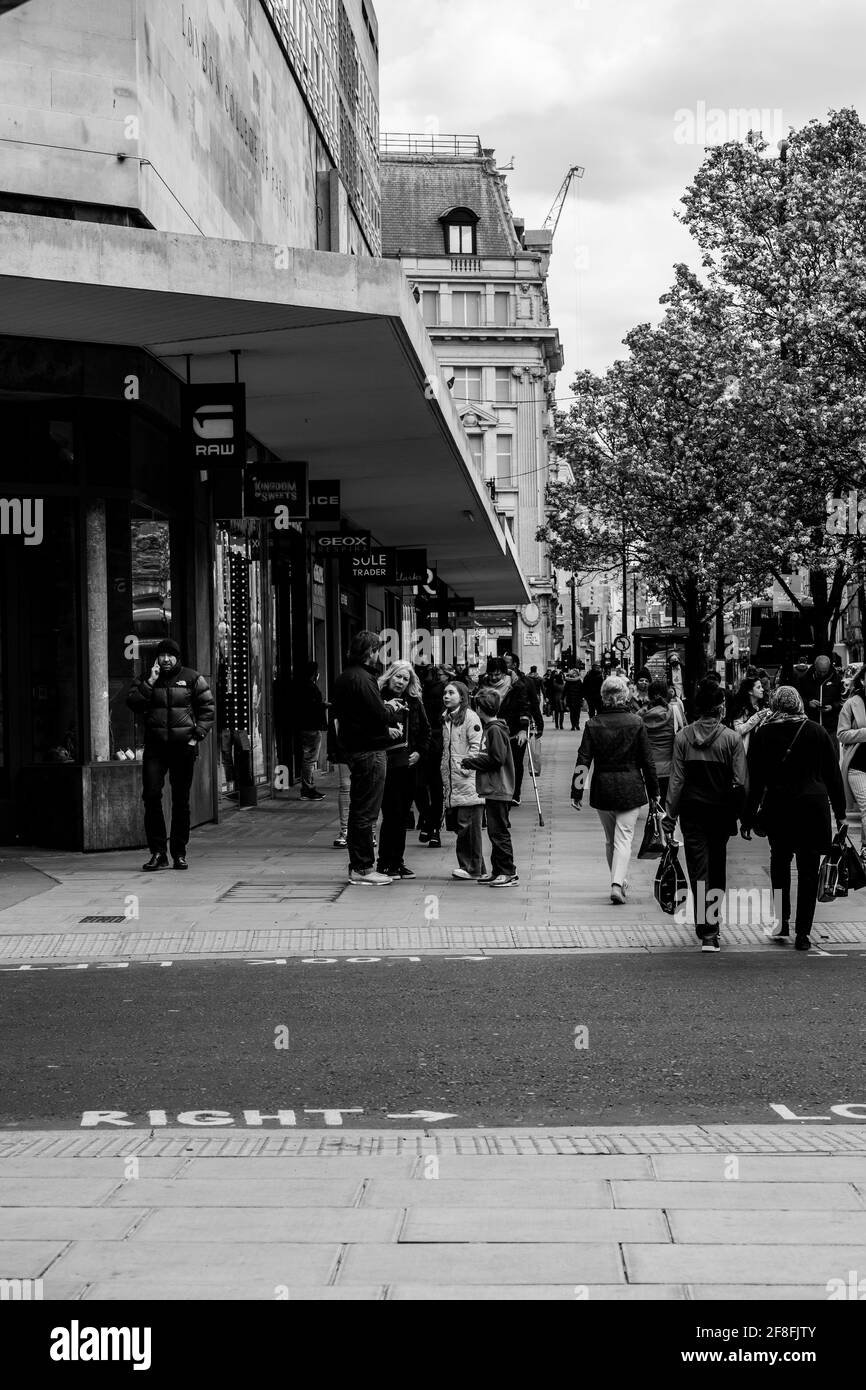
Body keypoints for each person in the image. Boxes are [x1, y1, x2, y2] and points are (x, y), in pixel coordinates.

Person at [744, 685, 846, 950]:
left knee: (780, 865)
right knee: (809, 870)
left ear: (776, 703)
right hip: (813, 808)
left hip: (779, 808)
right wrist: (841, 813)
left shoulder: (764, 734)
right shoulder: (817, 732)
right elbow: (833, 777)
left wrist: (747, 815)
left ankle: (782, 920)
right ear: (799, 704)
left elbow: (756, 781)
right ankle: (804, 933)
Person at [663, 678, 747, 952]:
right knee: (717, 868)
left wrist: (669, 815)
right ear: (720, 707)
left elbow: (676, 780)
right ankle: (711, 925)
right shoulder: (732, 739)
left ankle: (706, 928)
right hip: (720, 813)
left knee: (699, 869)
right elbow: (740, 782)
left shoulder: (683, 737)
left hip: (692, 812)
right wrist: (742, 816)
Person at [126, 638, 215, 871]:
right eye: (162, 655)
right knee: (152, 796)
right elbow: (134, 703)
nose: (165, 659)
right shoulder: (148, 678)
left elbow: (208, 709)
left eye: (170, 655)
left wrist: (197, 736)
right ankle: (158, 852)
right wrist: (151, 681)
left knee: (181, 801)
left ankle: (179, 853)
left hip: (182, 748)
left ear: (177, 657)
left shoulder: (193, 678)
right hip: (155, 749)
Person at [573, 675, 659, 905]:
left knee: (611, 840)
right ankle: (617, 883)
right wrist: (655, 791)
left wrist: (576, 790)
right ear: (624, 697)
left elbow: (583, 759)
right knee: (624, 839)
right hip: (630, 785)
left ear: (603, 698)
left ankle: (618, 880)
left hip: (603, 787)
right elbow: (647, 761)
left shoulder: (593, 724)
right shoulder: (636, 722)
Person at [331, 631, 404, 887]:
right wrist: (392, 708)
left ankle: (359, 866)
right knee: (366, 812)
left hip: (354, 749)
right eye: (376, 650)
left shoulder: (343, 677)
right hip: (370, 751)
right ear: (369, 652)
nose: (378, 654)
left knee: (359, 809)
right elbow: (377, 714)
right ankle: (362, 868)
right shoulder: (363, 678)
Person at [376, 661, 431, 880]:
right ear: (390, 676)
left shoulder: (415, 702)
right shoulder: (378, 697)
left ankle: (397, 862)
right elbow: (367, 726)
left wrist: (419, 753)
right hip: (385, 764)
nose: (401, 682)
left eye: (405, 679)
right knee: (391, 814)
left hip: (408, 766)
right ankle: (384, 862)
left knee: (402, 816)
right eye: (398, 677)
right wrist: (385, 730)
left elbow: (426, 731)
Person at [461, 686, 518, 887]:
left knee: (499, 831)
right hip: (495, 787)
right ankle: (498, 870)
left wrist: (471, 762)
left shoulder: (494, 730)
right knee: (495, 831)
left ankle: (508, 871)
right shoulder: (494, 728)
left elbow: (496, 759)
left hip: (498, 787)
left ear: (479, 709)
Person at [441, 681, 487, 880]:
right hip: (454, 782)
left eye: (451, 693)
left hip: (466, 782)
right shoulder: (447, 718)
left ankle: (472, 868)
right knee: (462, 827)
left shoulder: (470, 717)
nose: (446, 696)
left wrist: (464, 768)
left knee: (468, 827)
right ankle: (474, 867)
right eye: (445, 693)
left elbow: (477, 747)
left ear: (462, 696)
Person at [415, 664, 448, 848]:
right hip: (433, 742)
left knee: (421, 786)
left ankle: (430, 823)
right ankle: (432, 826)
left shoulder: (436, 691)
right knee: (434, 788)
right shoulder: (418, 691)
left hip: (427, 742)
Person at [838, 666, 866, 863]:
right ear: (863, 681)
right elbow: (842, 734)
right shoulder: (851, 704)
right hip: (858, 766)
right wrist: (865, 733)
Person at [640, 679, 683, 808]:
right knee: (665, 804)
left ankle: (653, 825)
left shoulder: (641, 715)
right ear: (666, 694)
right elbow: (682, 735)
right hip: (669, 766)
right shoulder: (674, 712)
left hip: (649, 768)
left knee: (654, 804)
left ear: (649, 695)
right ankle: (663, 826)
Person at [293, 661, 328, 801]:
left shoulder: (300, 687)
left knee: (308, 759)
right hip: (312, 728)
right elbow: (313, 708)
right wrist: (323, 705)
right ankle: (307, 789)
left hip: (305, 727)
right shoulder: (310, 688)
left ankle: (310, 787)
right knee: (309, 759)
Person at [797, 653, 844, 739]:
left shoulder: (837, 679)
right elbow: (798, 699)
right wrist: (808, 703)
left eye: (824, 671)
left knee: (832, 751)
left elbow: (842, 701)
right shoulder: (805, 679)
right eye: (819, 672)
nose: (822, 674)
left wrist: (832, 707)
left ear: (829, 667)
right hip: (811, 727)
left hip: (831, 728)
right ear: (815, 667)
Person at [326, 711, 350, 849]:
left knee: (367, 789)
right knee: (345, 787)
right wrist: (333, 750)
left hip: (366, 749)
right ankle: (345, 830)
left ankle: (369, 830)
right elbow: (334, 722)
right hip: (345, 749)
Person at [728, 675, 770, 753]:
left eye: (761, 687)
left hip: (761, 748)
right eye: (758, 687)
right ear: (750, 691)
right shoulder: (741, 708)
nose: (762, 689)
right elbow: (738, 731)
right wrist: (756, 718)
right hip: (747, 751)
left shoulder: (763, 705)